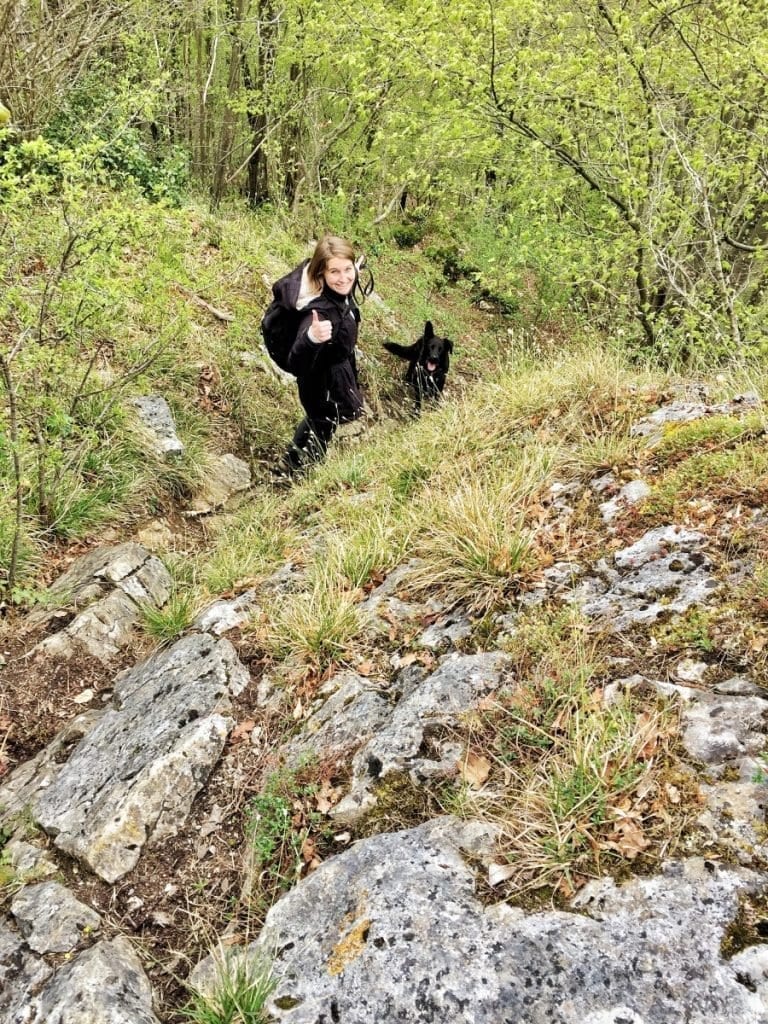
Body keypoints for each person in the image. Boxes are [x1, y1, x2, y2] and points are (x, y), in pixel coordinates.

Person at [275, 236, 365, 476]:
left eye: (348, 269)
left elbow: (346, 279)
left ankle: (289, 462)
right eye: (334, 272)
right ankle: (308, 476)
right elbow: (296, 361)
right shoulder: (318, 313)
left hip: (335, 373)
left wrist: (352, 269)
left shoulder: (338, 291)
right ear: (321, 274)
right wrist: (312, 338)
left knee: (316, 419)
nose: (344, 278)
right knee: (324, 425)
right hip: (321, 383)